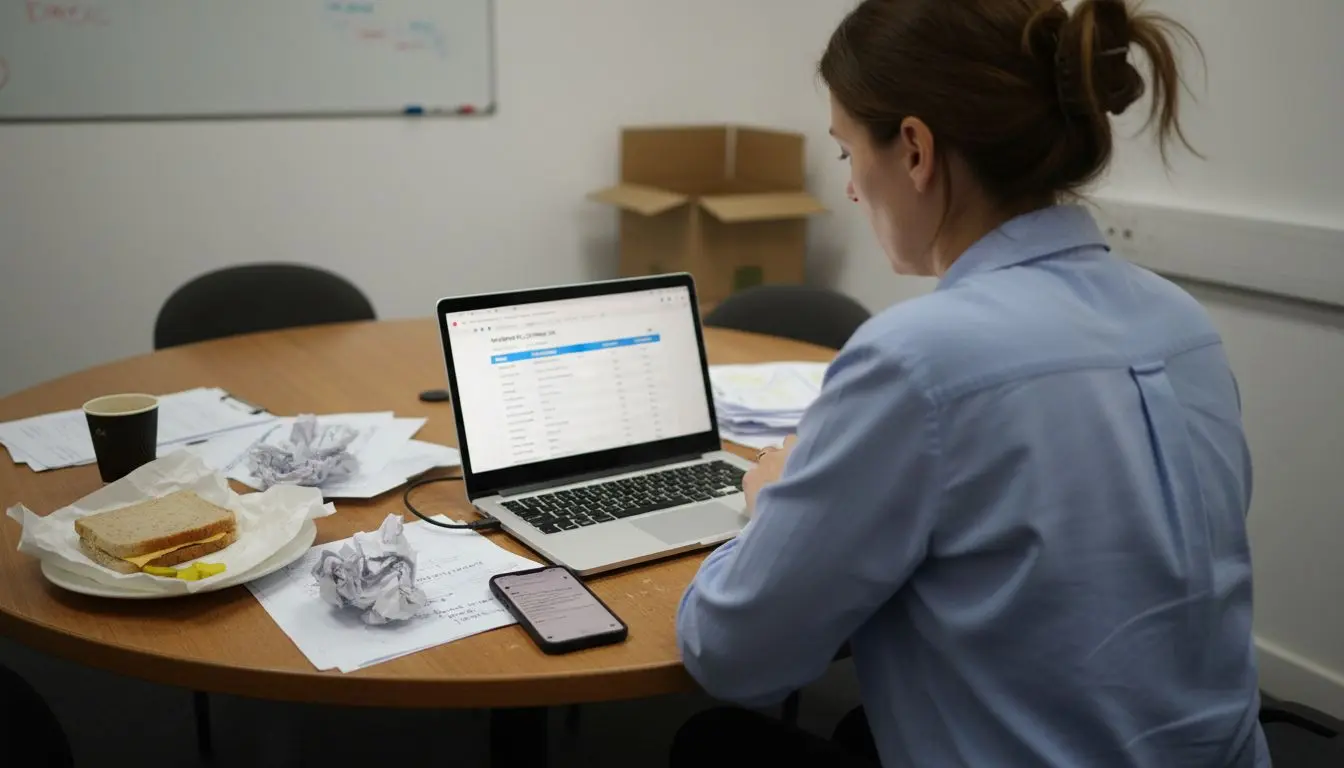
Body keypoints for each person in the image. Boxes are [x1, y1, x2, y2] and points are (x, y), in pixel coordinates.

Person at [672, 0, 1270, 766]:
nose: (851, 189)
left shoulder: (918, 360)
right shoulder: (1179, 320)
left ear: (915, 149)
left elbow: (732, 655)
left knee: (715, 744)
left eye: (849, 152)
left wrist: (767, 508)